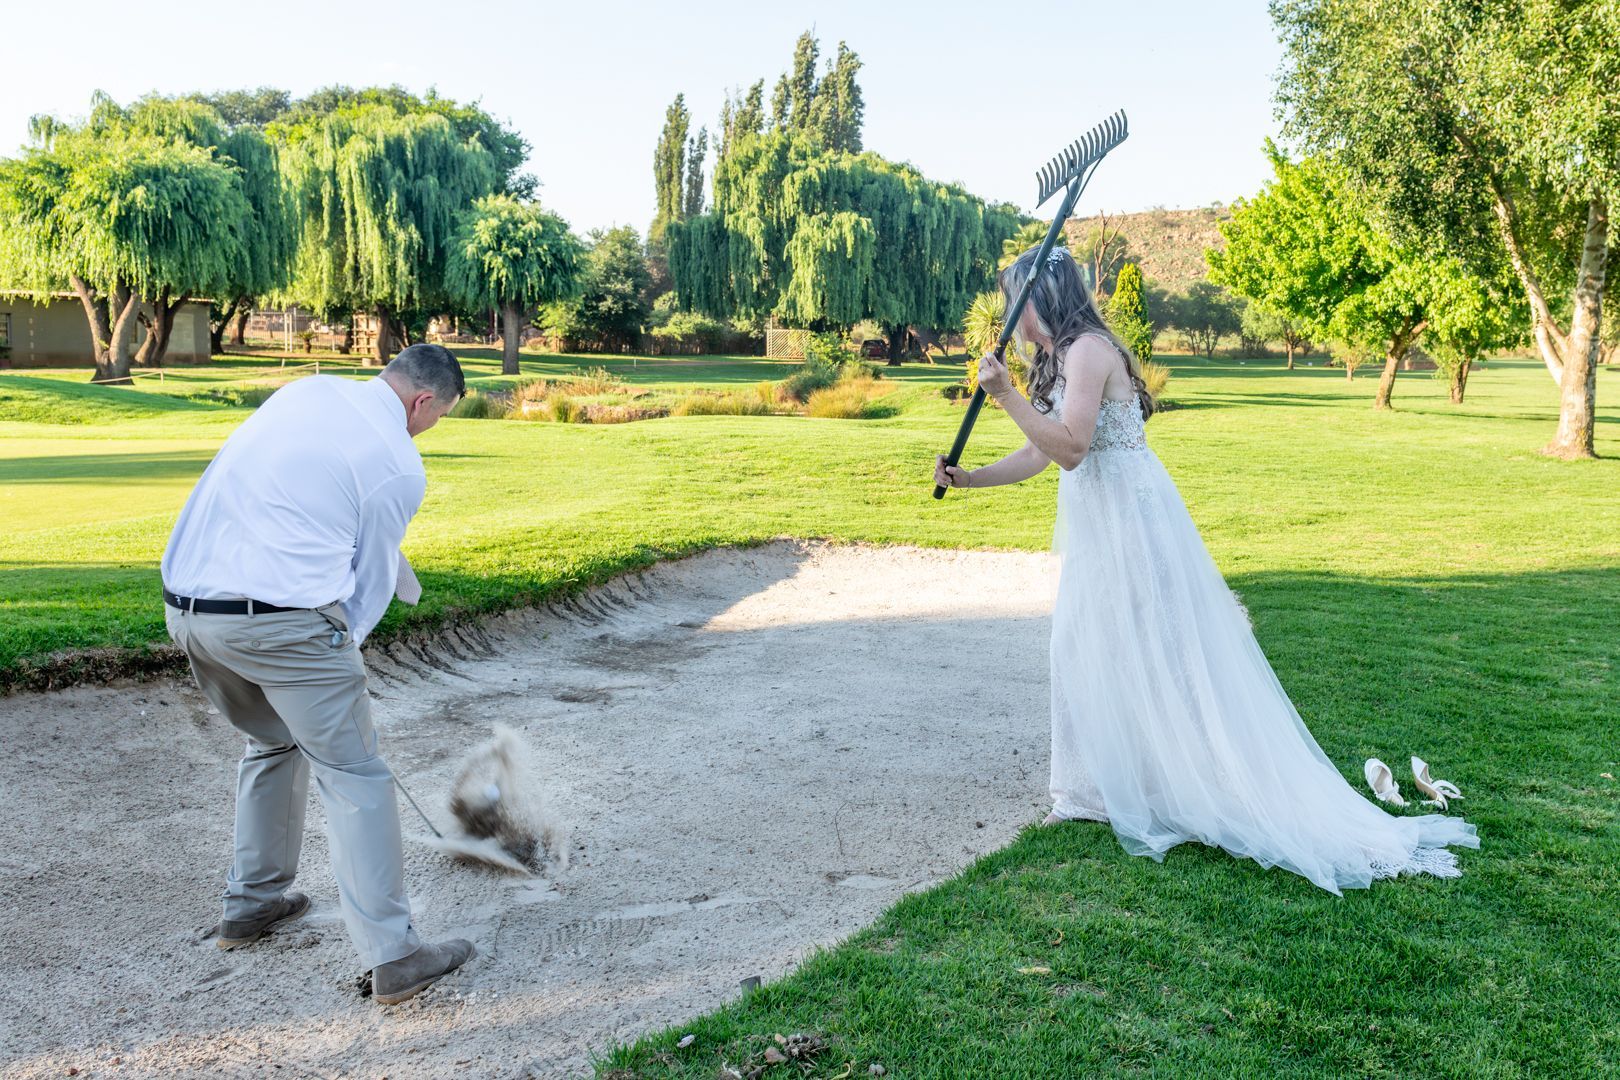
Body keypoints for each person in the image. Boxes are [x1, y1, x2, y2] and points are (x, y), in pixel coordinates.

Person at [934, 247, 1478, 894]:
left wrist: (1003, 395)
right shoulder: (1057, 357)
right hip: (1098, 528)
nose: (1008, 312)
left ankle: (1181, 785)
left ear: (1041, 297)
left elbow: (1073, 448)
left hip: (1133, 525)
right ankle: (1085, 793)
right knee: (1080, 645)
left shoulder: (1087, 351)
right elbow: (1038, 452)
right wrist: (970, 478)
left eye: (1014, 297)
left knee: (1156, 654)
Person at [162, 343, 476, 1002]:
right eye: (439, 416)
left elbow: (294, 497)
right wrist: (342, 653)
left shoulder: (309, 391)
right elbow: (368, 587)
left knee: (273, 741)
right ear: (423, 401)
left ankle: (252, 904)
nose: (432, 426)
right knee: (355, 773)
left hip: (191, 612)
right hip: (280, 625)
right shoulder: (400, 462)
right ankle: (396, 956)